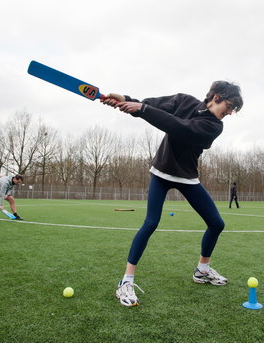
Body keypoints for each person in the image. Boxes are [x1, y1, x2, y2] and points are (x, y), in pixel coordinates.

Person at [102, 81, 243, 307]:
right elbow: (152, 105)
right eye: (229, 105)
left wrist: (142, 110)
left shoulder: (214, 127)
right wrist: (125, 99)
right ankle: (126, 281)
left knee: (217, 223)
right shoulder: (184, 101)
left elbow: (180, 127)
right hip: (161, 172)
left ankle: (202, 270)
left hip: (187, 177)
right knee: (151, 223)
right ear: (216, 96)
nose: (230, 112)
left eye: (234, 109)